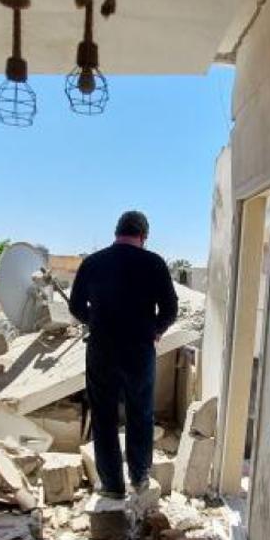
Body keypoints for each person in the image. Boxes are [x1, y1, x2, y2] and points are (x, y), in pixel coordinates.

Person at [69, 210, 178, 498]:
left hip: (102, 348)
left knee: (104, 416)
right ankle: (140, 477)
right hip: (139, 349)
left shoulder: (92, 262)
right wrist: (155, 330)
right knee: (139, 412)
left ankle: (113, 486)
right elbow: (170, 308)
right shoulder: (153, 263)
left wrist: (96, 321)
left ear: (116, 232)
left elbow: (76, 306)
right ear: (143, 236)